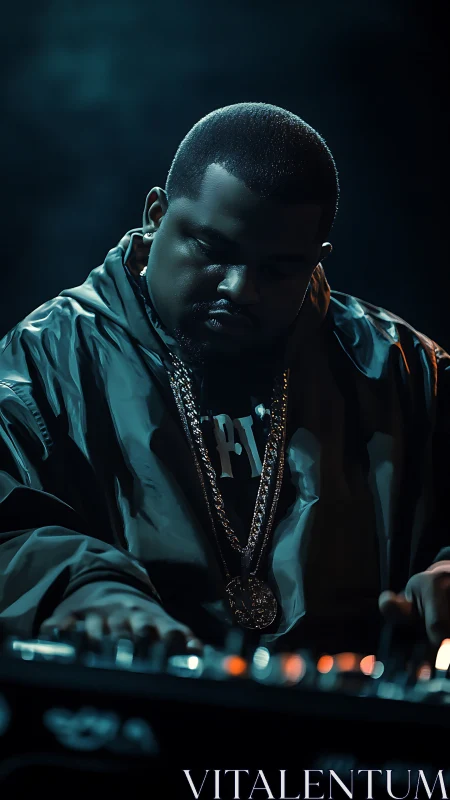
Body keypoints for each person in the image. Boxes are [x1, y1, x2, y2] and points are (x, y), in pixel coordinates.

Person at [0, 102, 449, 658]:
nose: (240, 289)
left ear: (317, 259)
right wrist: (83, 588)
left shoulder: (407, 370)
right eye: (213, 251)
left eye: (279, 268)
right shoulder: (44, 361)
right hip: (132, 722)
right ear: (155, 214)